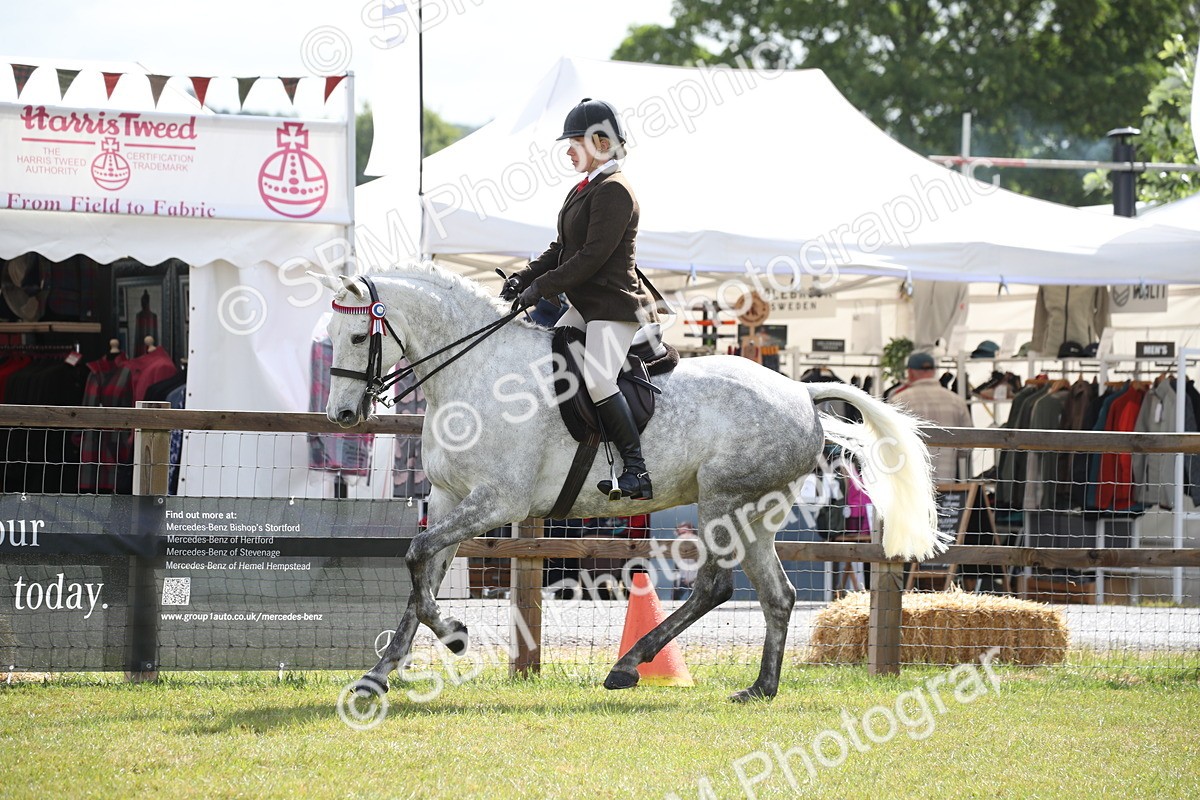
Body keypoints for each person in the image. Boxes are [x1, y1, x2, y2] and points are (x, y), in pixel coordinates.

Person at [503, 97, 660, 501]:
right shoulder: (584, 188)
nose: (568, 150)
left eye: (575, 141)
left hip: (612, 308)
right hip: (584, 307)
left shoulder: (616, 191)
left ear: (601, 143)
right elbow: (561, 249)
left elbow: (590, 258)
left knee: (597, 377)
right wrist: (525, 277)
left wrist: (541, 289)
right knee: (548, 353)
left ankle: (636, 469)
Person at [888, 351, 974, 483]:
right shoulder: (957, 401)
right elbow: (967, 445)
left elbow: (890, 442)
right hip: (947, 484)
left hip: (912, 482)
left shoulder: (899, 400)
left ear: (910, 372)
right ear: (934, 371)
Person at [671, 522, 699, 600]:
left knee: (694, 600)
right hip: (682, 578)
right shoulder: (678, 545)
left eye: (684, 533)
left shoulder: (698, 543)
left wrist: (691, 578)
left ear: (691, 531)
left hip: (695, 579)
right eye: (679, 534)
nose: (681, 536)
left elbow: (701, 565)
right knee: (675, 600)